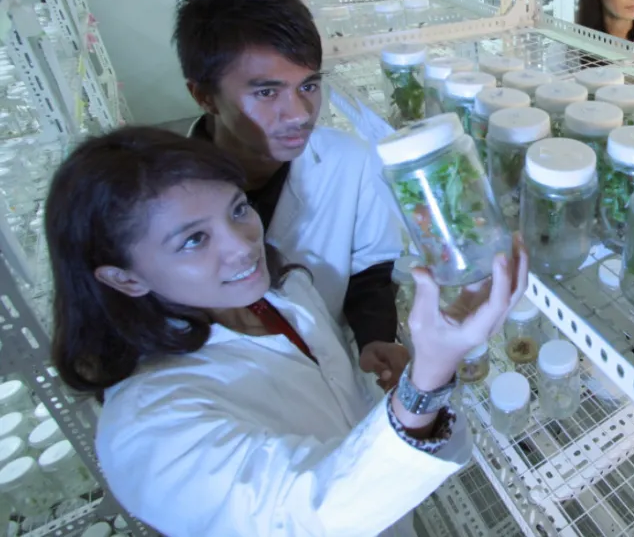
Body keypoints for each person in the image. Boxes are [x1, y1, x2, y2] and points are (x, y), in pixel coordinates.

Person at [47, 127, 528, 536]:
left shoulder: (278, 293)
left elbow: (337, 414)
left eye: (237, 210)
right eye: (194, 239)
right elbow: (309, 513)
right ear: (125, 277)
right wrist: (427, 378)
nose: (243, 245)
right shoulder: (147, 432)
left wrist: (400, 383)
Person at [174, 0, 407, 388]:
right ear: (204, 96)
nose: (299, 113)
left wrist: (375, 338)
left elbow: (369, 268)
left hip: (337, 372)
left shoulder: (349, 161)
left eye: (309, 85)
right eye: (267, 93)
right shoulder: (165, 205)